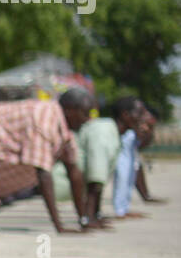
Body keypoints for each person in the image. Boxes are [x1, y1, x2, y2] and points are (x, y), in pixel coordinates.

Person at [0, 89, 94, 233]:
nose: (87, 119)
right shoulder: (44, 119)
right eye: (85, 113)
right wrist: (59, 227)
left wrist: (84, 220)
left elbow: (74, 172)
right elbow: (43, 174)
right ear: (70, 110)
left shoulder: (64, 129)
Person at [51, 95, 143, 223]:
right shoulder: (104, 132)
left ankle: (92, 215)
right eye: (139, 114)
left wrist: (96, 215)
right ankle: (88, 217)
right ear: (126, 115)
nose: (143, 119)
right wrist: (89, 218)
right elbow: (95, 179)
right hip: (59, 183)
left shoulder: (111, 132)